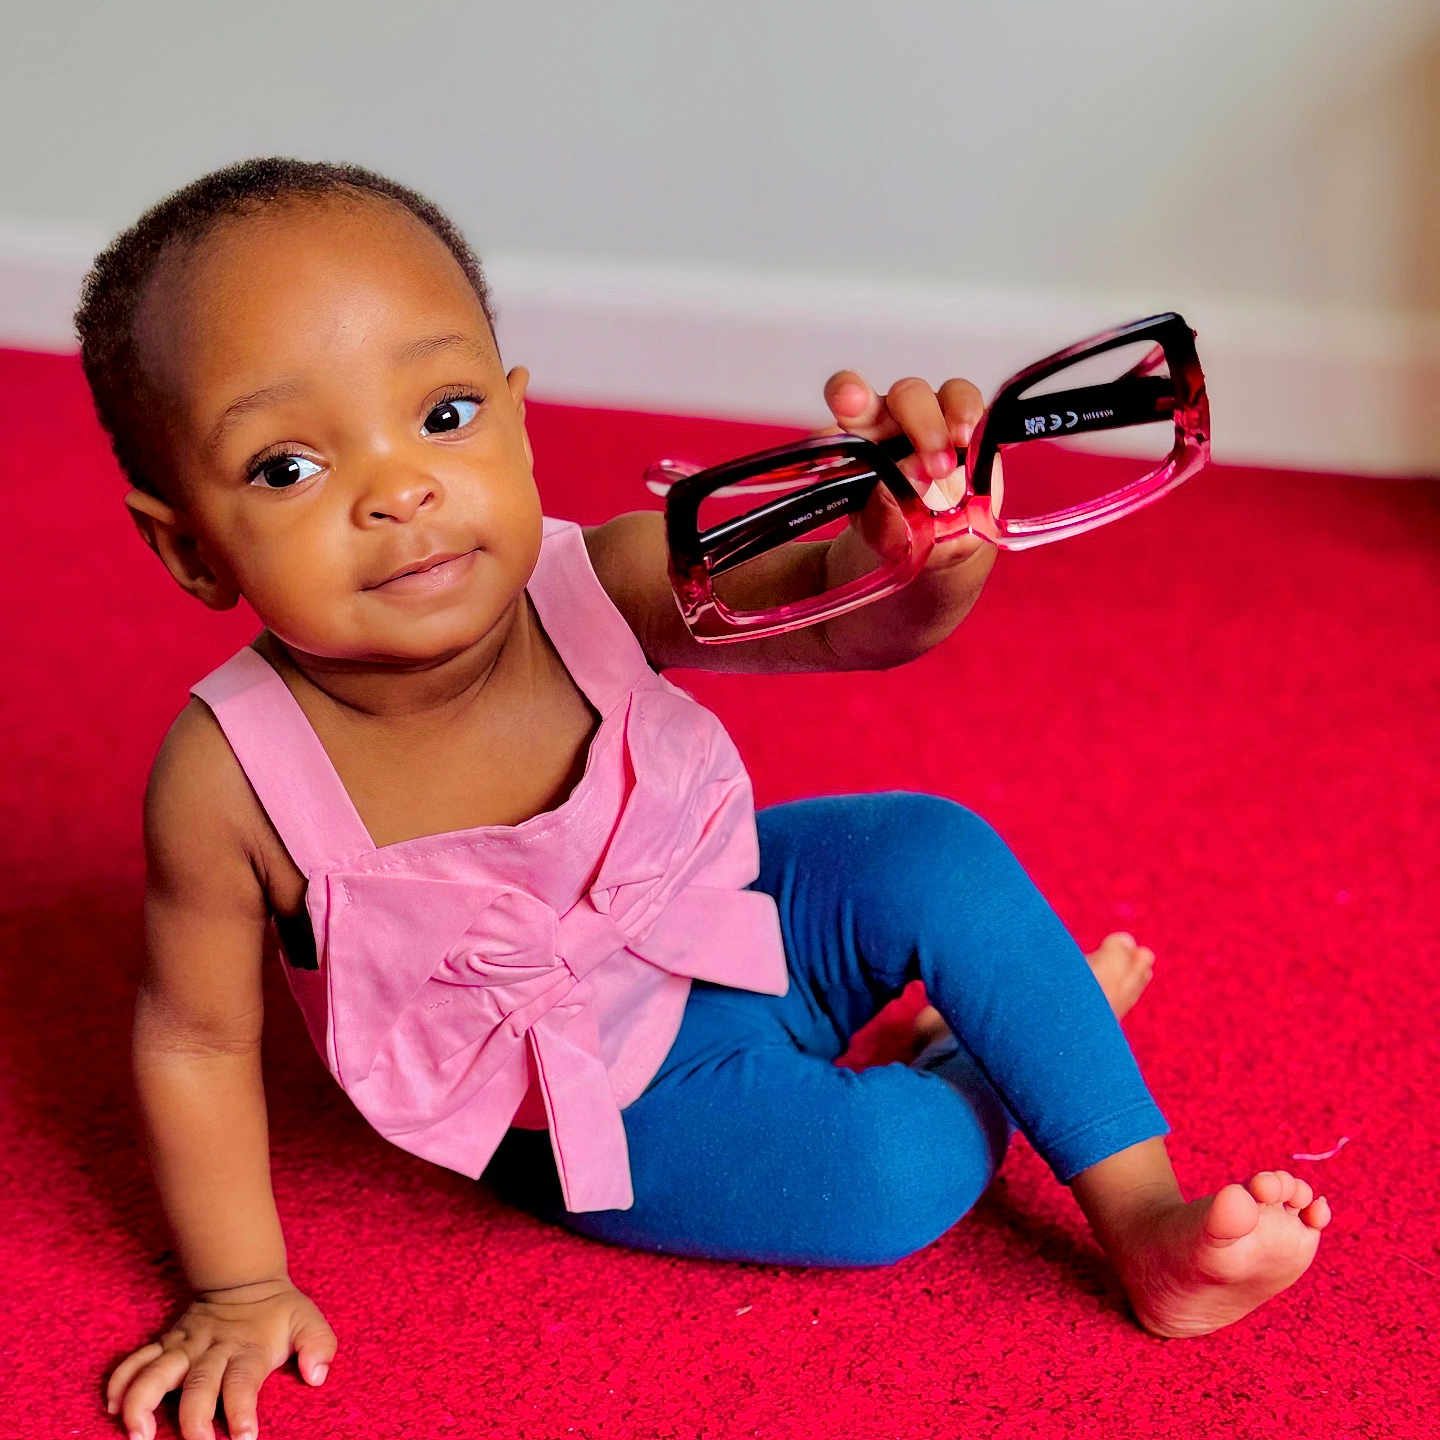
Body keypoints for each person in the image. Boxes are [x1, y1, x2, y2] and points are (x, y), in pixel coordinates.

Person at [79, 158, 1328, 1440]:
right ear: (188, 545)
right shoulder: (230, 776)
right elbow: (195, 1042)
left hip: (723, 918)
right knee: (887, 1178)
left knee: (930, 847)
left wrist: (922, 545)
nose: (398, 489)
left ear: (517, 418)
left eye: (442, 415)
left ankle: (1144, 1222)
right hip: (593, 1107)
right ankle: (986, 1056)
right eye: (286, 466)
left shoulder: (605, 579)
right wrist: (236, 1288)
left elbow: (857, 620)